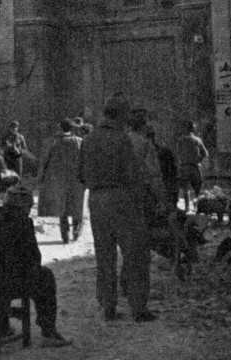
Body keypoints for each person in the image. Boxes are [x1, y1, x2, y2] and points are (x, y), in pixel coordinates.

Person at [77, 94, 156, 323]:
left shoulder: (88, 139)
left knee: (105, 256)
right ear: (121, 115)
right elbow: (133, 175)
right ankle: (139, 308)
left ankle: (108, 307)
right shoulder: (122, 139)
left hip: (96, 200)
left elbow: (81, 175)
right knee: (135, 254)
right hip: (122, 198)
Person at [0, 185, 72, 348]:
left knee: (1, 270)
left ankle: (2, 326)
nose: (30, 211)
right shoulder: (23, 221)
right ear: (23, 206)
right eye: (29, 207)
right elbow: (33, 259)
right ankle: (48, 331)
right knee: (45, 276)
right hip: (1, 282)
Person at [36, 119, 85, 243]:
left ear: (60, 127)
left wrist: (40, 178)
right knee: (76, 205)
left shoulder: (51, 142)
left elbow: (43, 162)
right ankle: (76, 231)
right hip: (76, 179)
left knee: (61, 207)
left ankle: (65, 234)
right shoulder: (79, 141)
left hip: (57, 179)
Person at [128, 109, 166, 226]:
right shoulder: (145, 144)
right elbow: (153, 173)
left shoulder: (121, 140)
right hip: (141, 192)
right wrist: (160, 199)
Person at [175, 121, 209, 213]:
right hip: (195, 167)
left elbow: (177, 153)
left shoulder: (180, 140)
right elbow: (205, 153)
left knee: (185, 189)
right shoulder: (197, 140)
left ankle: (187, 207)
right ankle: (196, 207)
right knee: (197, 189)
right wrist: (198, 159)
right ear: (192, 129)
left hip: (184, 167)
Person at [145, 128, 179, 212]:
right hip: (162, 181)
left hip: (160, 181)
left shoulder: (163, 151)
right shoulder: (164, 151)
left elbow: (172, 169)